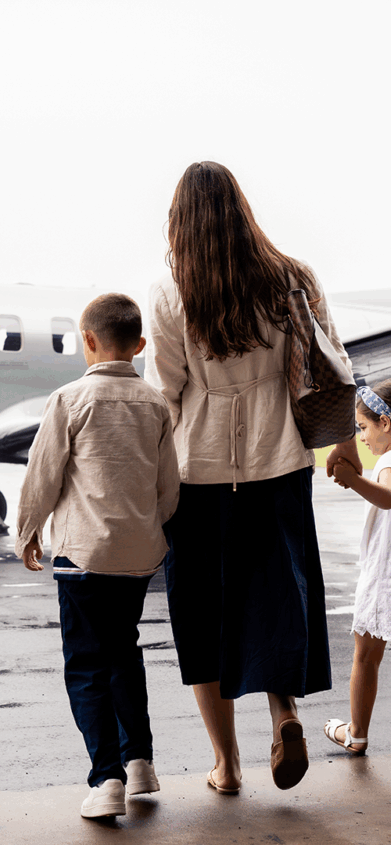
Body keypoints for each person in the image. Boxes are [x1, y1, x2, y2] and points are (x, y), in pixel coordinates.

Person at [144, 161, 360, 794]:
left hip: (198, 476)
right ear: (241, 207)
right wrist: (343, 449)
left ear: (181, 219)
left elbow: (167, 393)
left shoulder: (170, 291)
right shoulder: (293, 277)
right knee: (275, 600)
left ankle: (226, 764)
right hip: (281, 466)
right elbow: (335, 365)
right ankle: (284, 713)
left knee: (202, 616)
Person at [15, 293, 180, 819]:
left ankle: (106, 778)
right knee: (124, 650)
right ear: (140, 345)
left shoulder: (69, 399)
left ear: (87, 341)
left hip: (84, 556)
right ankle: (141, 761)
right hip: (138, 557)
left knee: (86, 664)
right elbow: (169, 489)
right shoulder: (156, 404)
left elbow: (43, 476)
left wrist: (26, 532)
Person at [324, 381, 391, 755]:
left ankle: (357, 733)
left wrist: (353, 480)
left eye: (363, 428)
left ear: (385, 422)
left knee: (365, 655)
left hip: (385, 573)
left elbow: (388, 498)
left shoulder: (388, 459)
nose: (361, 437)